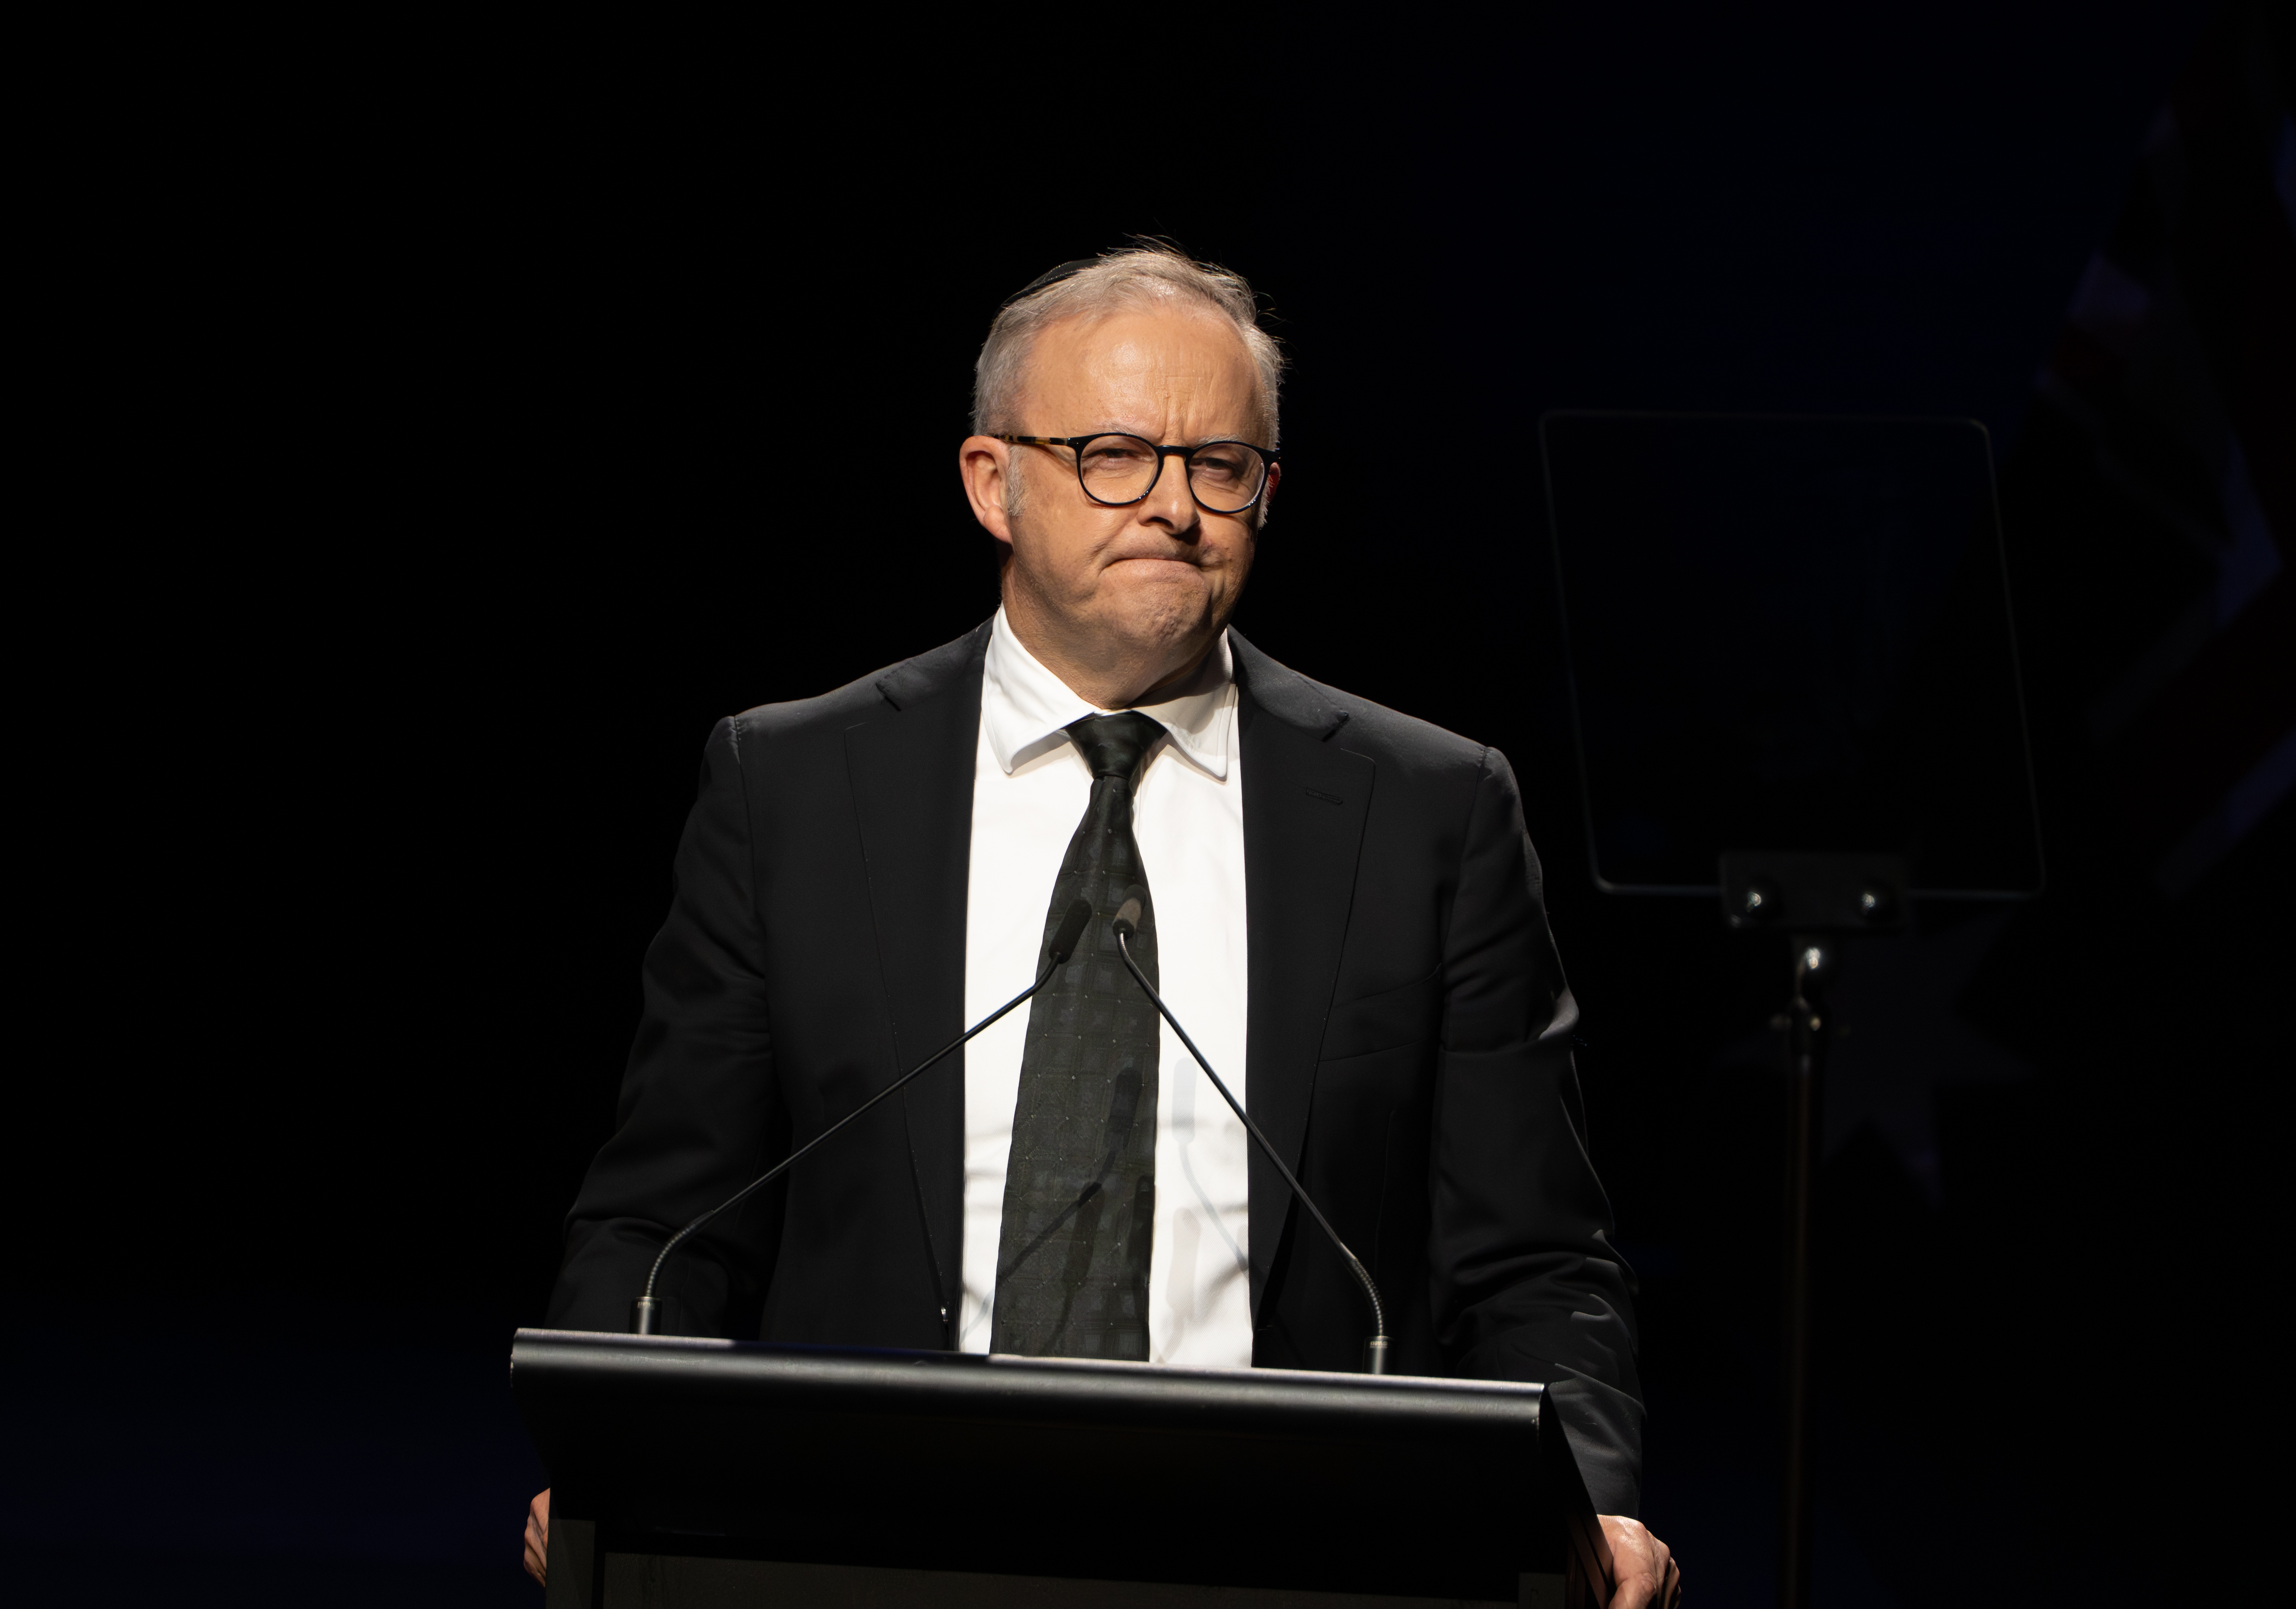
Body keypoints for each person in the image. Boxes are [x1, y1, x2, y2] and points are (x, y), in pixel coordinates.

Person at [522, 244, 1680, 1607]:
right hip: (857, 1544)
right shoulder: (793, 786)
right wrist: (600, 1462)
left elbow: (1536, 1257)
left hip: (1291, 1560)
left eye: (1222, 466)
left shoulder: (1430, 810)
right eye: (1116, 454)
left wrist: (1590, 1504)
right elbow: (666, 1222)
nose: (1175, 508)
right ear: (991, 482)